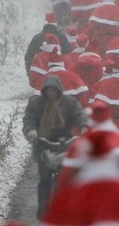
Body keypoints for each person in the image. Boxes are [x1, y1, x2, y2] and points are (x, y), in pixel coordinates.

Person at [22, 74, 87, 217]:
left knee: (66, 179)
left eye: (54, 90)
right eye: (48, 90)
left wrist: (83, 127)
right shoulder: (36, 104)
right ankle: (43, 212)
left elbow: (79, 115)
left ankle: (65, 209)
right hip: (43, 143)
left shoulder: (69, 102)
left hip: (65, 144)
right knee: (45, 179)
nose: (51, 93)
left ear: (59, 90)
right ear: (44, 90)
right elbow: (29, 119)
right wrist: (31, 131)